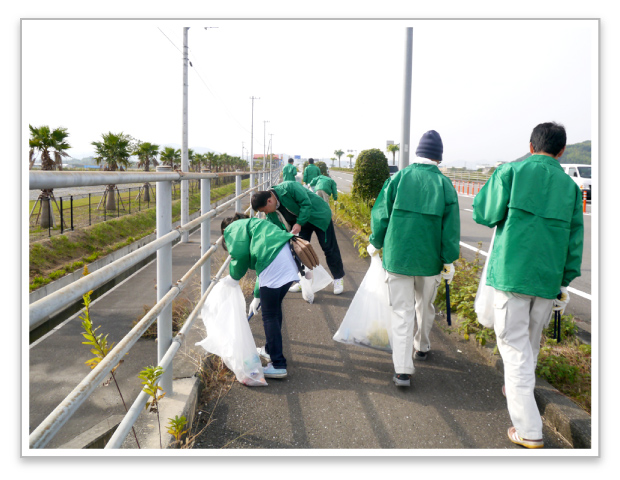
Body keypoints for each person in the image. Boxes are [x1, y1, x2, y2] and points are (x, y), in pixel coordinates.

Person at [472, 122, 584, 449]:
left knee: (514, 347)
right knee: (530, 342)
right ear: (561, 151)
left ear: (531, 146)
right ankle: (515, 388)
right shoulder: (571, 189)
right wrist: (564, 282)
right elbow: (574, 243)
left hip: (512, 275)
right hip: (548, 281)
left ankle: (529, 430)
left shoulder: (512, 172)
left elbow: (483, 212)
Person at [367, 130, 460, 387]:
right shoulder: (444, 185)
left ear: (418, 153)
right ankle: (422, 346)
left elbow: (381, 214)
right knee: (425, 305)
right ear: (438, 158)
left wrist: (375, 242)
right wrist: (448, 260)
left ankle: (403, 370)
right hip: (430, 261)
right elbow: (450, 230)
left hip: (398, 257)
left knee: (401, 312)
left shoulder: (399, 178)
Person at [221, 212, 300, 379]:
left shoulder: (233, 229)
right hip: (288, 263)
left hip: (274, 266)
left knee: (269, 316)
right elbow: (261, 265)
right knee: (275, 311)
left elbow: (240, 255)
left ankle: (278, 364)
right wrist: (257, 295)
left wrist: (233, 278)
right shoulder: (256, 225)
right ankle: (270, 351)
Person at [251, 180, 345, 294]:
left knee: (329, 247)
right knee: (298, 251)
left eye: (264, 210)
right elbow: (276, 228)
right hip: (302, 222)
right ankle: (303, 282)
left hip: (319, 215)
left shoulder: (289, 187)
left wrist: (299, 223)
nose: (265, 213)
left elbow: (306, 203)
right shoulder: (270, 210)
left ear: (269, 201)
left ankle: (338, 278)